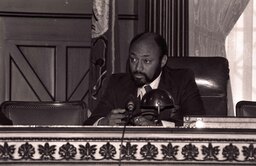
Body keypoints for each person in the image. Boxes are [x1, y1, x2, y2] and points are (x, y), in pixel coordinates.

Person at [84, 32, 205, 126]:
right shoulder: (117, 83)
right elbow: (89, 124)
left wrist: (160, 126)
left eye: (146, 61)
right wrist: (103, 122)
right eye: (133, 59)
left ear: (162, 61)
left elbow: (198, 124)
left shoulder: (182, 80)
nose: (138, 67)